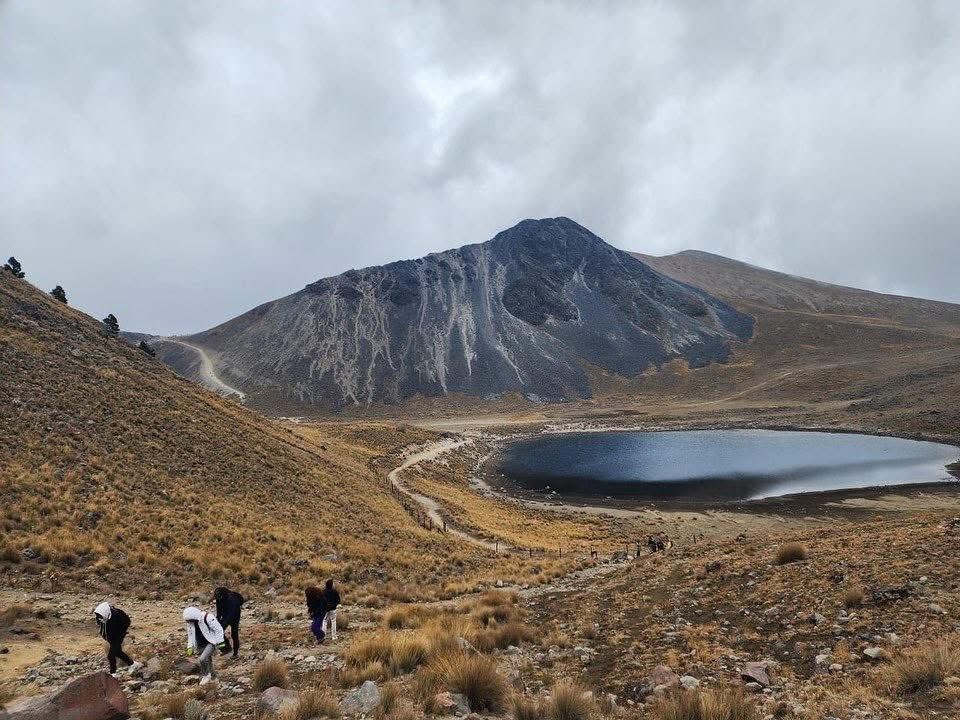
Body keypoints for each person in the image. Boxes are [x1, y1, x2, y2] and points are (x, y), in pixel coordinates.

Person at [183, 606, 225, 684]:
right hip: (200, 644)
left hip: (211, 642)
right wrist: (190, 646)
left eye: (191, 620)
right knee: (208, 661)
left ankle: (206, 675)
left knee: (202, 659)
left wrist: (220, 641)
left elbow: (218, 629)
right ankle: (214, 678)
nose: (190, 622)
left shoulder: (207, 617)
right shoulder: (190, 622)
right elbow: (190, 635)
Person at [94, 602, 137, 675]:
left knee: (111, 654)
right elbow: (101, 624)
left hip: (118, 634)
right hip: (111, 636)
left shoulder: (118, 615)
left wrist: (120, 634)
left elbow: (126, 622)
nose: (99, 618)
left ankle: (113, 672)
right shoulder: (101, 616)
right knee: (117, 652)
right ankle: (132, 664)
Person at [213, 586, 244, 657]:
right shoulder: (219, 597)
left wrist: (224, 624)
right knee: (218, 631)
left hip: (235, 615)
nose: (218, 599)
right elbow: (219, 609)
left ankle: (235, 653)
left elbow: (231, 614)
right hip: (225, 613)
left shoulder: (231, 599)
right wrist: (218, 619)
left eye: (219, 597)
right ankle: (226, 648)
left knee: (234, 634)